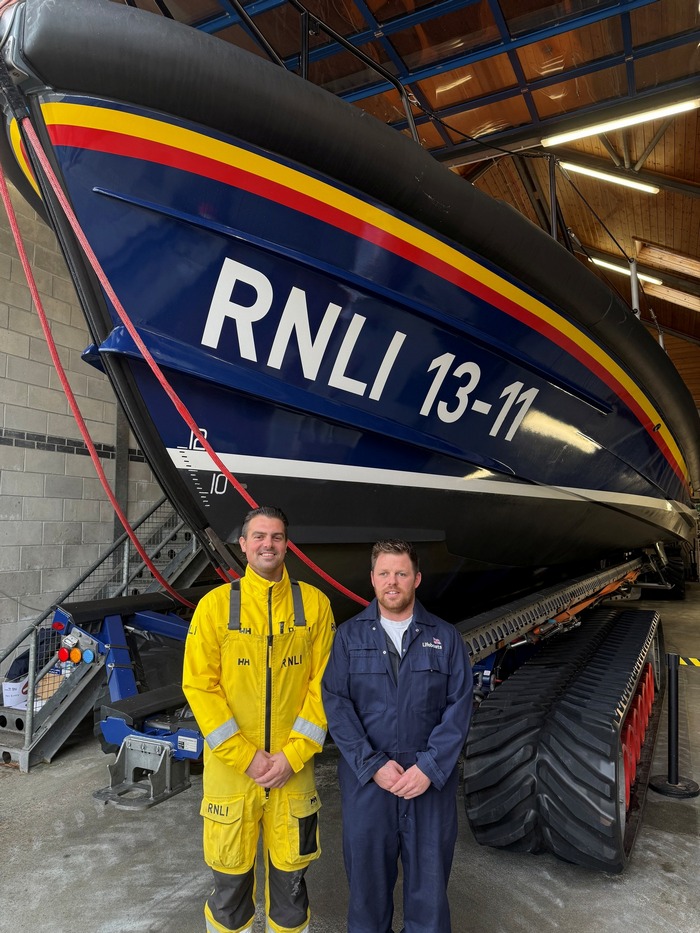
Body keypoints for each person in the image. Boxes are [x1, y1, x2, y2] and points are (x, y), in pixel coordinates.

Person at [183, 506, 335, 933]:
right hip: (232, 777)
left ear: (287, 545)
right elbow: (199, 687)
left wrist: (293, 756)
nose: (268, 544)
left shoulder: (315, 605)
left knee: (291, 896)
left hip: (293, 775)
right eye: (259, 536)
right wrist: (245, 757)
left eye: (277, 536)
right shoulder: (214, 607)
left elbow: (325, 686)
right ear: (243, 545)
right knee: (229, 898)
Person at [322, 539, 472, 933]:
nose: (393, 582)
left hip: (427, 785)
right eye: (385, 573)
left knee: (429, 893)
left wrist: (429, 768)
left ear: (416, 579)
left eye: (401, 573)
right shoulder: (348, 638)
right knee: (367, 895)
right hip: (369, 784)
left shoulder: (445, 638)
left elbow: (459, 708)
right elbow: (336, 705)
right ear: (372, 579)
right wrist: (372, 765)